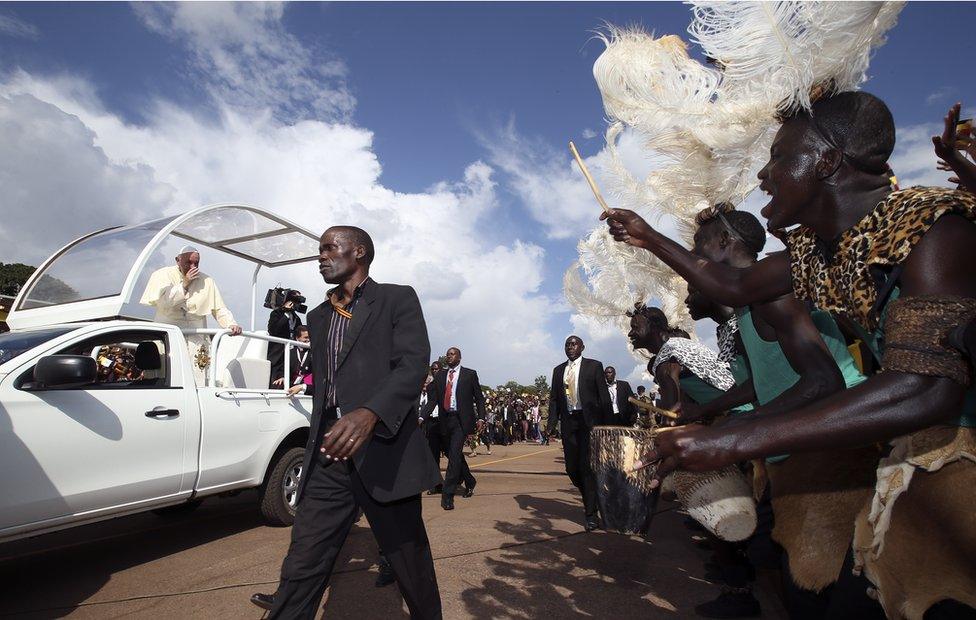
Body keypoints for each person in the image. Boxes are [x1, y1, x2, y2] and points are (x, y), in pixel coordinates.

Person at [605, 91, 976, 617]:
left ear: (825, 161)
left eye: (779, 155)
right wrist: (646, 236)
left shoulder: (933, 227)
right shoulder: (823, 250)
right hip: (912, 456)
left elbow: (927, 386)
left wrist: (736, 435)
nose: (764, 173)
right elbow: (730, 284)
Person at [253, 226, 442, 619]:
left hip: (384, 450)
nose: (320, 255)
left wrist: (370, 412)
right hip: (329, 450)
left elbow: (412, 365)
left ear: (359, 252)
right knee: (304, 558)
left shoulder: (396, 298)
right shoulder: (319, 315)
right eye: (319, 249)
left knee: (410, 563)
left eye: (328, 248)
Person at [139, 245, 242, 385]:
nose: (193, 266)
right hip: (169, 337)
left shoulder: (207, 281)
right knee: (166, 379)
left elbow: (219, 308)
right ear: (178, 260)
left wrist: (231, 324)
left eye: (196, 263)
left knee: (197, 380)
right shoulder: (162, 275)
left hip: (196, 338)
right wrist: (185, 283)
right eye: (189, 262)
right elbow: (165, 303)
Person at [546, 335, 612, 531]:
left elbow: (604, 397)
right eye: (567, 344)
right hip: (569, 422)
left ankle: (590, 513)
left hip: (588, 422)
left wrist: (607, 426)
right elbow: (554, 399)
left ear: (582, 347)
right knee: (571, 468)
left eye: (574, 344)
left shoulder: (594, 366)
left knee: (586, 468)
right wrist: (550, 423)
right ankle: (592, 497)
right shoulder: (558, 370)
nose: (570, 347)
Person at [421, 347, 486, 511]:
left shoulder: (469, 374)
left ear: (460, 357)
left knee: (455, 455)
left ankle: (447, 496)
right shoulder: (441, 376)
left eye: (452, 354)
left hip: (461, 421)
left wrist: (481, 417)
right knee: (453, 455)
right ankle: (470, 481)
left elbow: (479, 398)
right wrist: (421, 417)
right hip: (444, 421)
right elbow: (433, 399)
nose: (449, 356)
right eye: (447, 354)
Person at [268, 289, 305, 389]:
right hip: (278, 354)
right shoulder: (276, 314)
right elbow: (274, 330)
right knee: (276, 380)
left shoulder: (296, 318)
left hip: (292, 353)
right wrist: (286, 313)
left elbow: (300, 332)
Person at [283, 325, 313, 397]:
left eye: (310, 337)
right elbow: (283, 369)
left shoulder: (314, 353)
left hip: (308, 386)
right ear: (297, 338)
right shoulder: (289, 352)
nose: (308, 340)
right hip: (292, 384)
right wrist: (282, 377)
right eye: (306, 337)